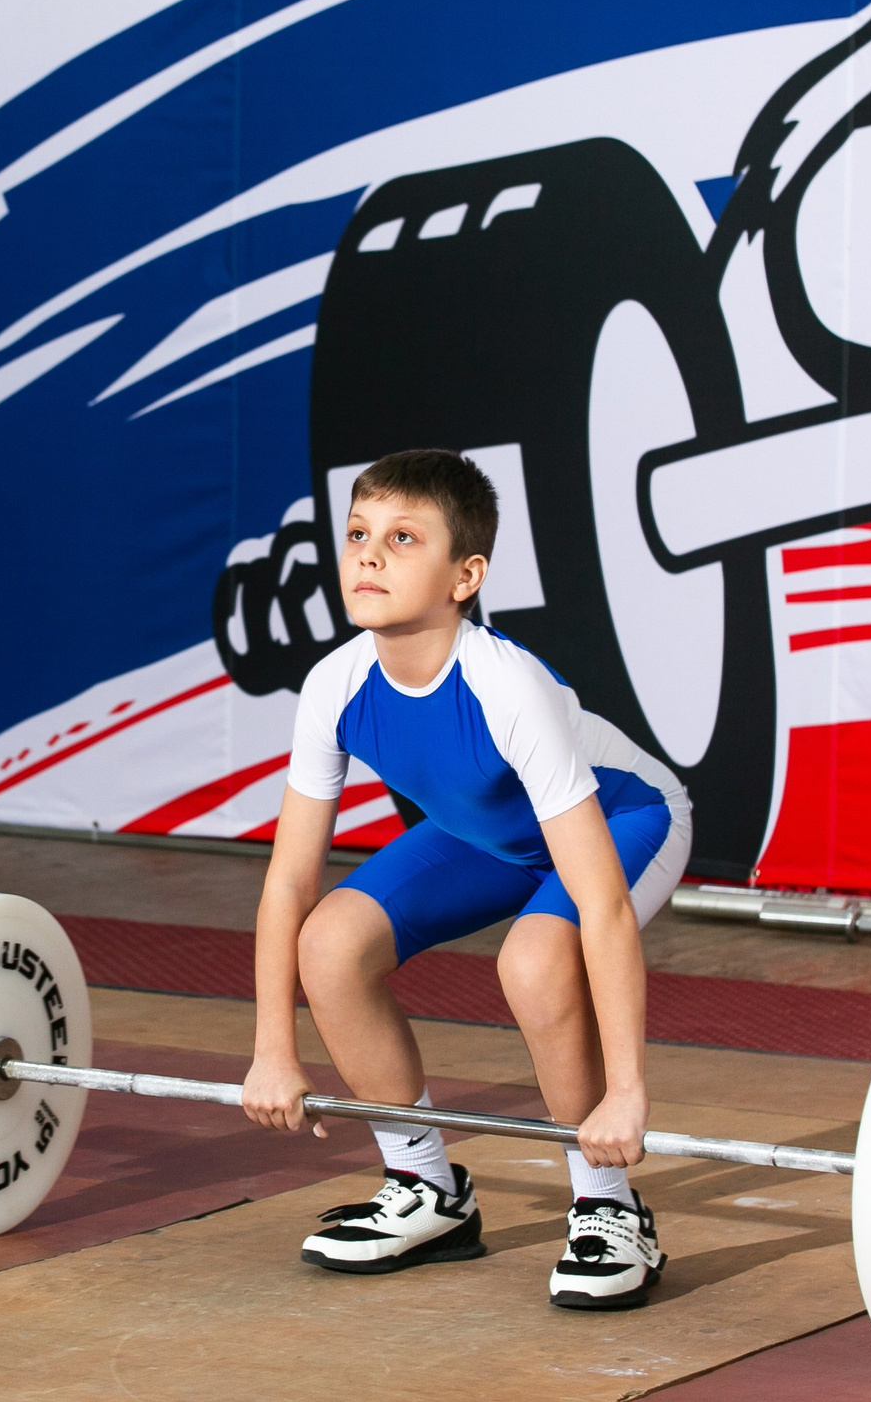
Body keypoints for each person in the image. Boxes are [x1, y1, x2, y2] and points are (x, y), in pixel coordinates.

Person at [241, 448, 691, 1308]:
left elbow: (599, 904)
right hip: (485, 834)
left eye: (403, 538)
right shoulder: (334, 685)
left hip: (631, 818)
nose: (369, 554)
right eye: (359, 534)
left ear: (465, 575)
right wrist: (272, 1049)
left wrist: (629, 1094)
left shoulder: (504, 686)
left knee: (533, 959)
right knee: (330, 943)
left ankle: (608, 1204)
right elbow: (290, 882)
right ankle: (428, 1190)